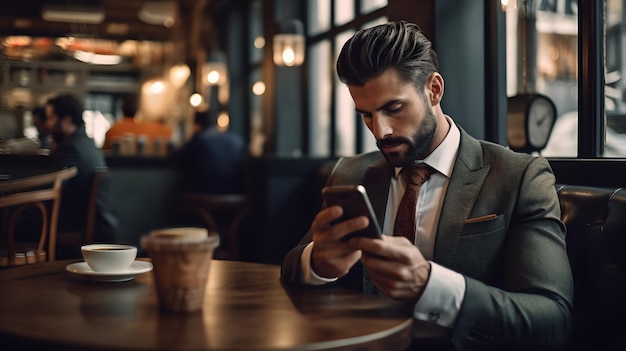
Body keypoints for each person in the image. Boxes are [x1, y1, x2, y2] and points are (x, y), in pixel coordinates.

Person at [280, 21, 573, 351]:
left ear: (433, 89)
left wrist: (431, 285)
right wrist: (318, 263)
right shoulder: (351, 173)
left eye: (394, 108)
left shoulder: (519, 176)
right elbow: (292, 265)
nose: (381, 131)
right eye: (366, 115)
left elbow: (552, 318)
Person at [45, 93, 118, 257]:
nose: (47, 124)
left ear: (66, 120)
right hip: (88, 221)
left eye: (51, 118)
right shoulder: (88, 144)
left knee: (17, 220)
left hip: (70, 223)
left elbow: (53, 191)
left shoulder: (70, 148)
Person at [173, 109, 247, 195]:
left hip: (205, 196)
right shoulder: (237, 140)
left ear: (197, 125)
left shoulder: (200, 140)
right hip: (236, 196)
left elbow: (177, 157)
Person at [102, 96, 172, 155]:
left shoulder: (113, 130)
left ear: (122, 109)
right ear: (136, 111)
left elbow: (105, 154)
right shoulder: (151, 129)